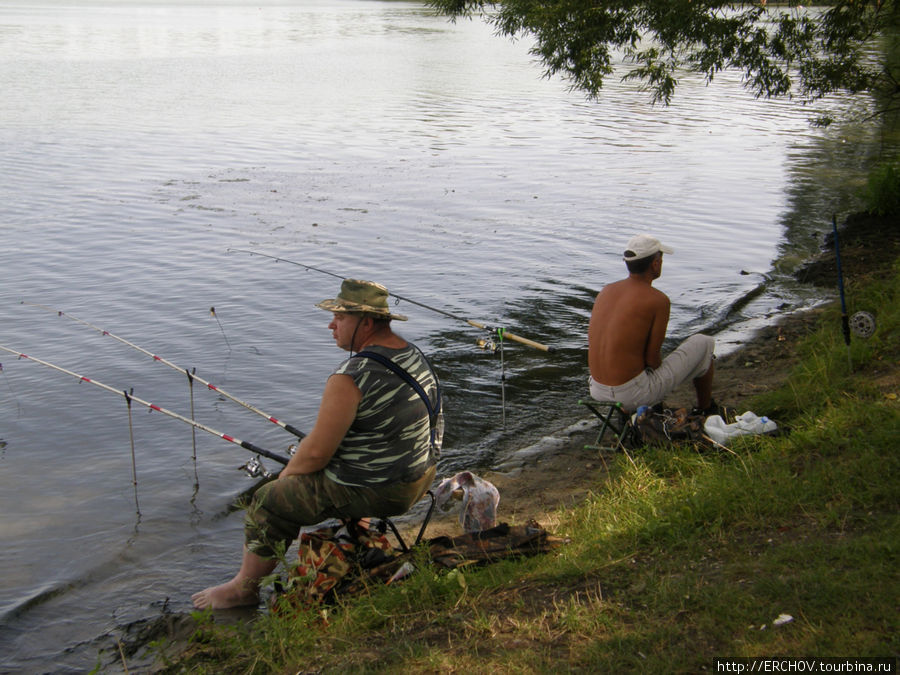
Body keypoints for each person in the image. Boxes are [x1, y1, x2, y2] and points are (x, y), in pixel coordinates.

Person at [192, 279, 442, 610]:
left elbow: (314, 455)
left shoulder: (351, 375)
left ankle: (243, 590)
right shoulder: (412, 354)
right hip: (422, 477)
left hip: (385, 491)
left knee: (268, 499)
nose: (331, 324)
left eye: (340, 318)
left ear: (365, 322)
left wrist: (284, 481)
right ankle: (360, 528)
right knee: (334, 456)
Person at [588, 234, 717, 414]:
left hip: (597, 389)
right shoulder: (658, 300)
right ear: (655, 264)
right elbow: (652, 360)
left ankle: (636, 414)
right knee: (704, 343)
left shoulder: (606, 291)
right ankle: (706, 409)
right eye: (661, 259)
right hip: (631, 395)